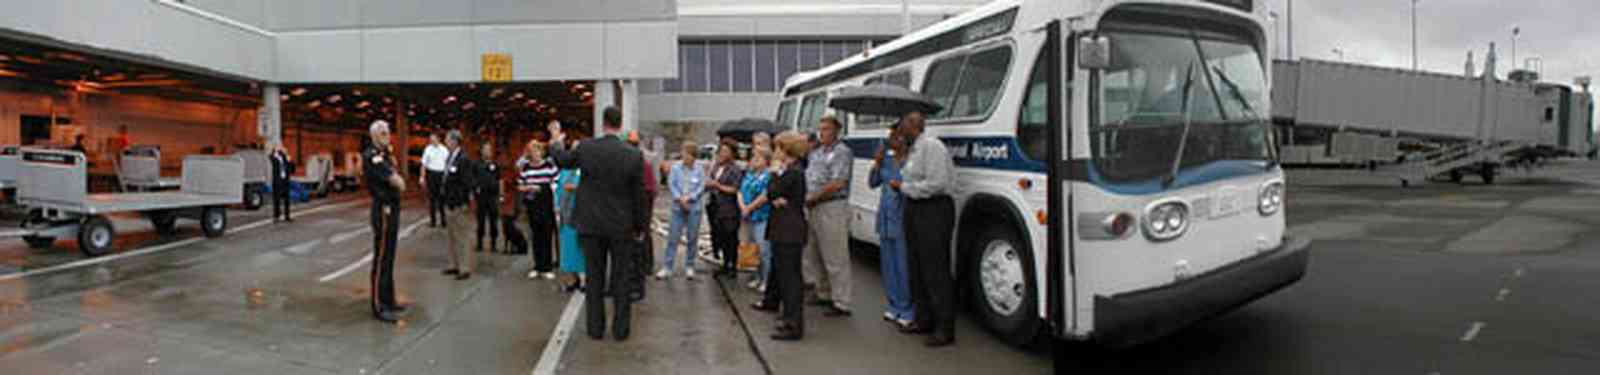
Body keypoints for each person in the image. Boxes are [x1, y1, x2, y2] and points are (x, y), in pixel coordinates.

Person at [548, 106, 649, 342]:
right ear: (620, 124)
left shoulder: (586, 148)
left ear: (602, 123)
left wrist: (555, 140)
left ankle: (595, 328)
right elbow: (639, 196)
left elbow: (562, 160)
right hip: (621, 226)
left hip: (591, 224)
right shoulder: (633, 155)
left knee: (594, 278)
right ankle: (621, 330)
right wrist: (641, 227)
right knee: (621, 278)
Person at [894, 111, 958, 347]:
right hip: (915, 209)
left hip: (934, 209)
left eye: (903, 126)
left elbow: (937, 183)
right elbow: (910, 176)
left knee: (935, 269)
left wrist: (904, 187)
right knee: (917, 267)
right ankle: (924, 319)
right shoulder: (914, 149)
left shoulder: (932, 146)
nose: (900, 130)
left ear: (914, 126)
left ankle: (944, 328)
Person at [751, 131, 809, 341]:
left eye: (778, 148)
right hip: (783, 228)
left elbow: (774, 191)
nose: (775, 152)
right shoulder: (791, 171)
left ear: (786, 150)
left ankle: (793, 324)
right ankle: (778, 307)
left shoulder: (793, 172)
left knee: (790, 279)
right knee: (782, 273)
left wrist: (774, 174)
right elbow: (776, 196)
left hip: (789, 231)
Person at [803, 116, 854, 317]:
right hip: (813, 206)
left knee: (835, 256)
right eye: (820, 128)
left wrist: (814, 197)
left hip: (831, 206)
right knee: (814, 252)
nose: (821, 133)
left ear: (836, 131)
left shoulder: (842, 152)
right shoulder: (816, 153)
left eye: (826, 129)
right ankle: (823, 291)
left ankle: (842, 301)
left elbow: (838, 183)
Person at [869, 125, 915, 328]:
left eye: (895, 138)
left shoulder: (911, 162)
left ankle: (907, 308)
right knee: (888, 265)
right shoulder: (886, 161)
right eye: (889, 138)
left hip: (902, 218)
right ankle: (894, 305)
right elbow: (872, 182)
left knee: (903, 265)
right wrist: (877, 163)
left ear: (904, 140)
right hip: (886, 218)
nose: (891, 142)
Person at [362, 120, 408, 323]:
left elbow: (399, 178)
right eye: (382, 133)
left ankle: (389, 299)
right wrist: (397, 181)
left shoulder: (387, 154)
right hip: (383, 209)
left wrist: (398, 180)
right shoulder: (373, 156)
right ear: (373, 136)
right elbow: (397, 181)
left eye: (388, 132)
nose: (386, 135)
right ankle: (378, 305)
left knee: (389, 257)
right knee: (381, 258)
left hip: (392, 208)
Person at [659, 141, 707, 280]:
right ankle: (667, 267)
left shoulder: (699, 169)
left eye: (687, 154)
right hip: (677, 206)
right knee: (673, 237)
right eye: (683, 153)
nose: (684, 156)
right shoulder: (676, 168)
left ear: (693, 156)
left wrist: (690, 198)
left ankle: (690, 266)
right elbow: (671, 183)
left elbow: (701, 186)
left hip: (694, 207)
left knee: (692, 237)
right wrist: (680, 198)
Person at [518, 138, 560, 279]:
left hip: (546, 203)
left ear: (541, 152)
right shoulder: (526, 167)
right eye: (531, 151)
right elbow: (520, 185)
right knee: (535, 235)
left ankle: (547, 267)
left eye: (537, 150)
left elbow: (556, 181)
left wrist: (544, 188)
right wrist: (528, 187)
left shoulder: (549, 165)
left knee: (547, 234)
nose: (534, 153)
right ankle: (537, 265)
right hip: (532, 204)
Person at [440, 130, 477, 280]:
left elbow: (467, 183)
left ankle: (464, 268)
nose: (445, 142)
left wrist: (463, 202)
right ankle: (454, 264)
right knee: (451, 236)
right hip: (449, 202)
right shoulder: (450, 157)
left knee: (462, 236)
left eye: (447, 139)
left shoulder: (463, 159)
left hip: (459, 204)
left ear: (455, 141)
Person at [738, 147, 774, 291]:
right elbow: (740, 191)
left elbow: (765, 196)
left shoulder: (768, 176)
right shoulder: (750, 174)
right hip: (748, 217)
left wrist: (750, 207)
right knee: (753, 249)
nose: (754, 161)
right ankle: (757, 277)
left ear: (766, 161)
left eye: (758, 158)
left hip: (762, 216)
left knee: (764, 249)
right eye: (753, 158)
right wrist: (743, 207)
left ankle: (767, 280)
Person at [708, 143, 745, 279]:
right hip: (716, 206)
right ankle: (724, 263)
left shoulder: (735, 170)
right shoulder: (717, 167)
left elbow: (735, 189)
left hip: (729, 208)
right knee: (720, 237)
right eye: (721, 151)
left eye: (725, 151)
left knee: (731, 238)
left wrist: (718, 185)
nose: (722, 154)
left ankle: (732, 266)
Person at [556, 150, 585, 293]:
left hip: (580, 215)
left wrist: (576, 188)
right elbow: (558, 190)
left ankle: (584, 280)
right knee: (568, 249)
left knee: (581, 248)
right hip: (565, 215)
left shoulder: (585, 171)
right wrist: (556, 207)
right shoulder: (564, 172)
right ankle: (574, 279)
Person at [476, 142, 503, 253]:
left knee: (493, 220)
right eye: (485, 149)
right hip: (481, 196)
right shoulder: (477, 164)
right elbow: (473, 178)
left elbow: (500, 180)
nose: (487, 152)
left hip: (493, 196)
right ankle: (479, 243)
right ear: (481, 151)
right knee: (481, 220)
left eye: (489, 150)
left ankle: (493, 244)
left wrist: (501, 194)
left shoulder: (495, 165)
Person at [421, 133, 449, 228]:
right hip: (431, 174)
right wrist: (422, 177)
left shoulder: (444, 150)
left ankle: (443, 220)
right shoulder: (428, 149)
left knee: (441, 198)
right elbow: (424, 165)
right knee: (432, 199)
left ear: (438, 139)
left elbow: (447, 165)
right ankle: (433, 221)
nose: (432, 141)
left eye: (433, 139)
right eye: (430, 139)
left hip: (441, 175)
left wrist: (447, 178)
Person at [270, 143, 295, 222]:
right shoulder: (271, 157)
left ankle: (287, 216)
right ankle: (276, 216)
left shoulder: (285, 157)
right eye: (279, 147)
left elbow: (292, 170)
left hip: (285, 181)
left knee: (287, 199)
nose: (281, 148)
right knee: (276, 199)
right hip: (277, 181)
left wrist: (290, 160)